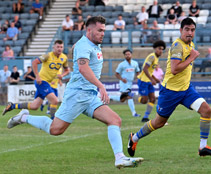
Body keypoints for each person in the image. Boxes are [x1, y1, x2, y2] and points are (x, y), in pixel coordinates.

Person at [4, 16, 143, 168]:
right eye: (100, 30)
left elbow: (76, 54)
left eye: (104, 30)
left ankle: (120, 158)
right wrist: (101, 86)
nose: (103, 33)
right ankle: (24, 117)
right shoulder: (84, 45)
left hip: (89, 95)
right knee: (55, 130)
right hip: (77, 95)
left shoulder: (91, 44)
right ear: (89, 30)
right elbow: (83, 68)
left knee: (115, 120)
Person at [127, 18, 211, 158]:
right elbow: (175, 69)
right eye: (187, 29)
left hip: (186, 90)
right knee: (158, 122)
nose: (190, 33)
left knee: (206, 110)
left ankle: (202, 147)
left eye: (192, 30)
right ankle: (134, 139)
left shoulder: (191, 44)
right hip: (170, 92)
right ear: (181, 30)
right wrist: (192, 58)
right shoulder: (177, 45)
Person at [2, 40, 70, 120]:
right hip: (41, 81)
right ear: (53, 47)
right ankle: (53, 121)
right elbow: (34, 62)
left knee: (35, 106)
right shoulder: (47, 56)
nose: (59, 49)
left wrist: (62, 75)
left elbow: (67, 70)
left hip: (47, 83)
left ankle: (12, 106)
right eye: (58, 47)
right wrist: (37, 76)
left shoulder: (64, 57)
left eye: (61, 47)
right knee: (55, 100)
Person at [135, 40, 166, 122]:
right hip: (143, 81)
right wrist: (152, 79)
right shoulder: (152, 57)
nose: (161, 51)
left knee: (152, 99)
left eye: (162, 49)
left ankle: (145, 117)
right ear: (155, 48)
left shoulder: (156, 58)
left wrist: (155, 79)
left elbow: (150, 71)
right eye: (159, 48)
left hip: (148, 81)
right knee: (144, 101)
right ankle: (131, 95)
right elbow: (145, 69)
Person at [109, 49, 141, 117]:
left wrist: (138, 78)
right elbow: (117, 73)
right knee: (129, 96)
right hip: (124, 83)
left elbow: (138, 71)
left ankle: (110, 97)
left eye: (128, 54)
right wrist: (122, 79)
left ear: (131, 55)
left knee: (122, 99)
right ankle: (134, 113)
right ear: (124, 56)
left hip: (130, 83)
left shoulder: (135, 63)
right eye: (126, 54)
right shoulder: (122, 64)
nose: (127, 56)